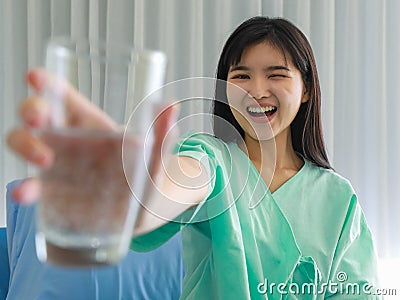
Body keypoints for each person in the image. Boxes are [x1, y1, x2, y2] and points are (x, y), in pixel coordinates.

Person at [7, 16, 381, 299]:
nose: (257, 91)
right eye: (241, 76)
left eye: (276, 75)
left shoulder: (339, 199)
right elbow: (169, 188)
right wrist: (130, 190)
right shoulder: (210, 158)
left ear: (305, 90)